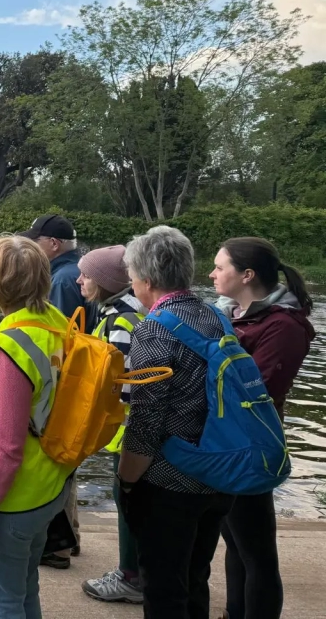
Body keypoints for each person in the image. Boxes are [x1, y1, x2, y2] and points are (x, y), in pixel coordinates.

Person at [118, 225, 235, 619]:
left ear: (148, 280)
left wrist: (127, 479)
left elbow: (146, 420)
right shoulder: (218, 318)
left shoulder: (155, 328)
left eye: (133, 278)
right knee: (194, 578)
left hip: (172, 481)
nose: (132, 285)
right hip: (218, 472)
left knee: (165, 589)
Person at [0, 235, 75, 619]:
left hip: (12, 498)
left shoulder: (12, 344)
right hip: (49, 484)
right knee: (25, 589)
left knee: (3, 603)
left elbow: (5, 443)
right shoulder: (58, 324)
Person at [211, 237, 316, 619]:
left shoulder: (284, 326)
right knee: (236, 543)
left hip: (251, 446)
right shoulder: (235, 315)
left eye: (220, 267)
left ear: (247, 275)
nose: (212, 274)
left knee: (257, 553)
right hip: (227, 443)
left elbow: (257, 389)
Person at [18, 214, 92, 568]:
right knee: (66, 462)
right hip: (80, 387)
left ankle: (58, 544)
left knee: (54, 460)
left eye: (35, 240)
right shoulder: (76, 271)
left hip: (62, 389)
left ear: (52, 244)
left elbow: (56, 345)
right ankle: (69, 538)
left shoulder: (61, 279)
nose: (32, 246)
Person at [77, 245, 148, 605]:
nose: (79, 280)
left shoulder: (118, 321)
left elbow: (119, 385)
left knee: (126, 501)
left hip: (126, 431)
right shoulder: (133, 311)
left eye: (86, 275)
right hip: (139, 428)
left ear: (104, 281)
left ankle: (130, 576)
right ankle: (140, 573)